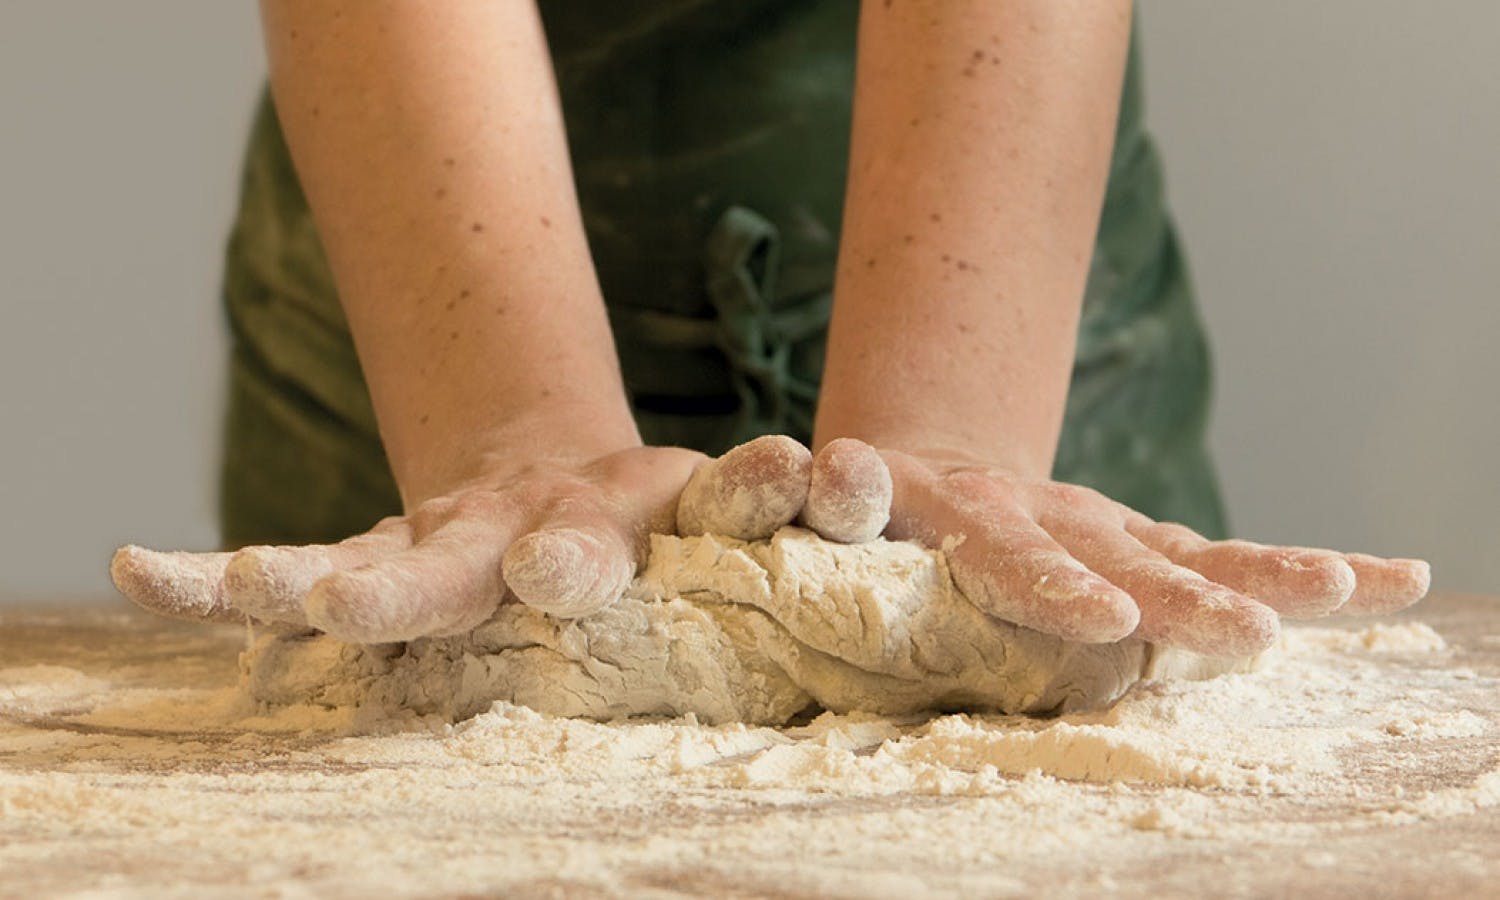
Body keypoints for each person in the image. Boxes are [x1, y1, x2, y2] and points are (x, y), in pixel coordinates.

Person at [114, 1, 1428, 655]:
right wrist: (505, 425)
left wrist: (949, 419)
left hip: (991, 249)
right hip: (435, 271)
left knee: (1039, 685)